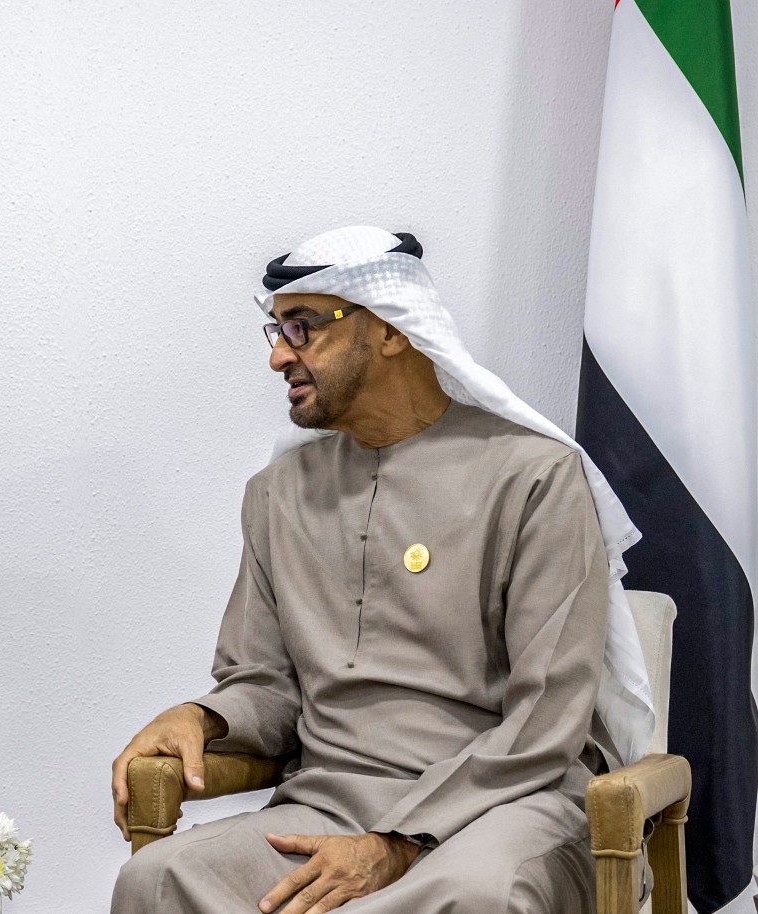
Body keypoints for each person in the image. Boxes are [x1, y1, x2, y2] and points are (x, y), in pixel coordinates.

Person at [109, 227, 654, 914]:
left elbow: (547, 717)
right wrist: (203, 717)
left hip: (506, 806)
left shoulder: (534, 477)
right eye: (275, 330)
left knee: (476, 896)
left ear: (391, 331)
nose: (279, 356)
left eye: (302, 328)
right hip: (332, 802)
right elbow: (265, 685)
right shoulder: (278, 494)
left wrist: (397, 841)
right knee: (154, 880)